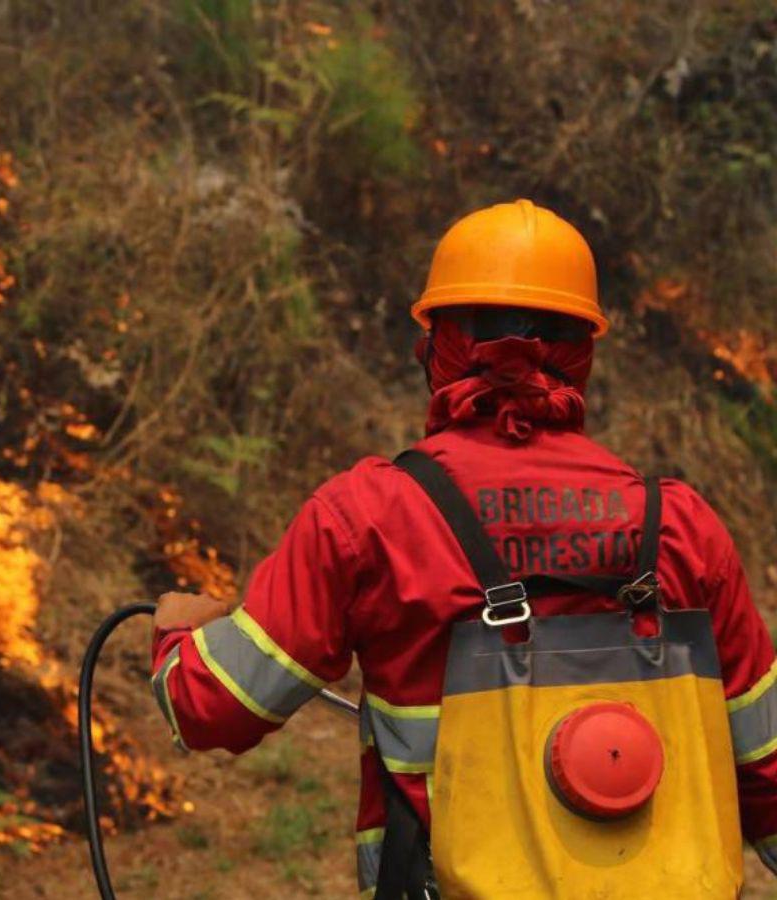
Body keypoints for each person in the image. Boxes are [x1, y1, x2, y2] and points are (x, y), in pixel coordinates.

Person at [149, 200, 777, 898]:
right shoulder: (679, 528)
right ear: (583, 353)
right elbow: (768, 768)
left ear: (439, 348)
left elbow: (214, 707)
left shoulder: (368, 519)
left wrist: (180, 631)